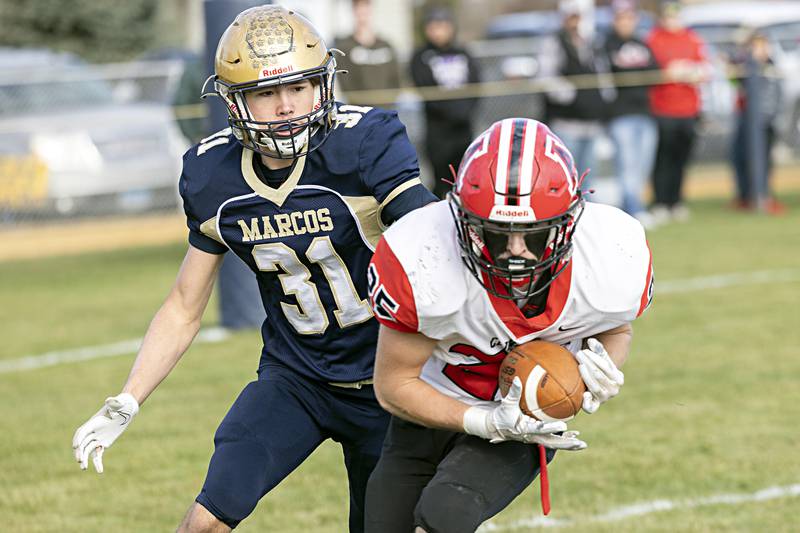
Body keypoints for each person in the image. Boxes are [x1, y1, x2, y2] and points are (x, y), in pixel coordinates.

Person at [71, 6, 436, 532]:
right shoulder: (212, 174)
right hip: (297, 378)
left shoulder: (365, 142)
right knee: (206, 520)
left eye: (299, 87)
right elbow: (183, 307)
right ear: (234, 101)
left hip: (390, 380)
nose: (286, 106)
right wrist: (127, 399)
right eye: (266, 93)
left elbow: (435, 246)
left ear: (322, 83)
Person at [363, 118, 654, 533]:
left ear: (570, 222)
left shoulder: (611, 254)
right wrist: (484, 421)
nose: (515, 251)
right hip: (430, 408)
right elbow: (394, 384)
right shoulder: (422, 255)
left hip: (526, 419)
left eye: (533, 234)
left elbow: (616, 329)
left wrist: (602, 369)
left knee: (444, 515)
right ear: (461, 218)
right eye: (496, 233)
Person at [646, 0, 710, 223]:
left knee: (681, 158)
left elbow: (705, 69)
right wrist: (669, 72)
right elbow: (650, 70)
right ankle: (660, 201)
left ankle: (676, 201)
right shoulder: (653, 39)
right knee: (662, 158)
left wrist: (691, 72)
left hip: (689, 110)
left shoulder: (692, 39)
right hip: (662, 109)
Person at [410, 6, 480, 199]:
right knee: (441, 182)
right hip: (437, 131)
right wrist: (451, 111)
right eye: (433, 27)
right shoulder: (420, 56)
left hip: (463, 128)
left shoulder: (464, 53)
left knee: (465, 180)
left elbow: (476, 85)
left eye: (442, 26)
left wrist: (463, 111)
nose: (438, 31)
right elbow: (425, 88)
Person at [539, 0, 610, 188]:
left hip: (591, 123)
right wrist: (570, 95)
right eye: (572, 16)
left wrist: (603, 98)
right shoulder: (555, 42)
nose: (576, 21)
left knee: (587, 180)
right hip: (566, 124)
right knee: (565, 177)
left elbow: (602, 75)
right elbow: (546, 77)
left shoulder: (592, 43)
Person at [602, 0, 660, 227]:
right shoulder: (606, 45)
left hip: (645, 112)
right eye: (621, 17)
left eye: (629, 17)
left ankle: (635, 205)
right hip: (621, 114)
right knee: (626, 164)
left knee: (643, 165)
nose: (625, 22)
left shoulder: (641, 43)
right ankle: (633, 209)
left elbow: (655, 72)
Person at [730, 30, 785, 214]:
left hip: (765, 122)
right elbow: (735, 82)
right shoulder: (744, 66)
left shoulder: (770, 68)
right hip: (746, 120)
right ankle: (746, 196)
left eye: (763, 46)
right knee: (740, 158)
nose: (760, 50)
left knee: (763, 161)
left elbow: (774, 97)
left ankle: (763, 196)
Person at [334, 0, 401, 107]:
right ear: (353, 11)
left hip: (386, 110)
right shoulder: (345, 48)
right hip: (359, 111)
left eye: (365, 9)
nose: (362, 15)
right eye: (359, 10)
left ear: (371, 10)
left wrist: (389, 103)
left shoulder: (386, 46)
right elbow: (345, 82)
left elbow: (396, 79)